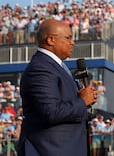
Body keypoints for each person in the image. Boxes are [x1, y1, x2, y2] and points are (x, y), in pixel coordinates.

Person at [18, 19, 98, 156]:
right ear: (51, 40)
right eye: (68, 38)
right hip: (49, 149)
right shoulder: (41, 68)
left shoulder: (57, 66)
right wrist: (82, 101)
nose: (72, 42)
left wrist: (83, 98)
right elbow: (50, 112)